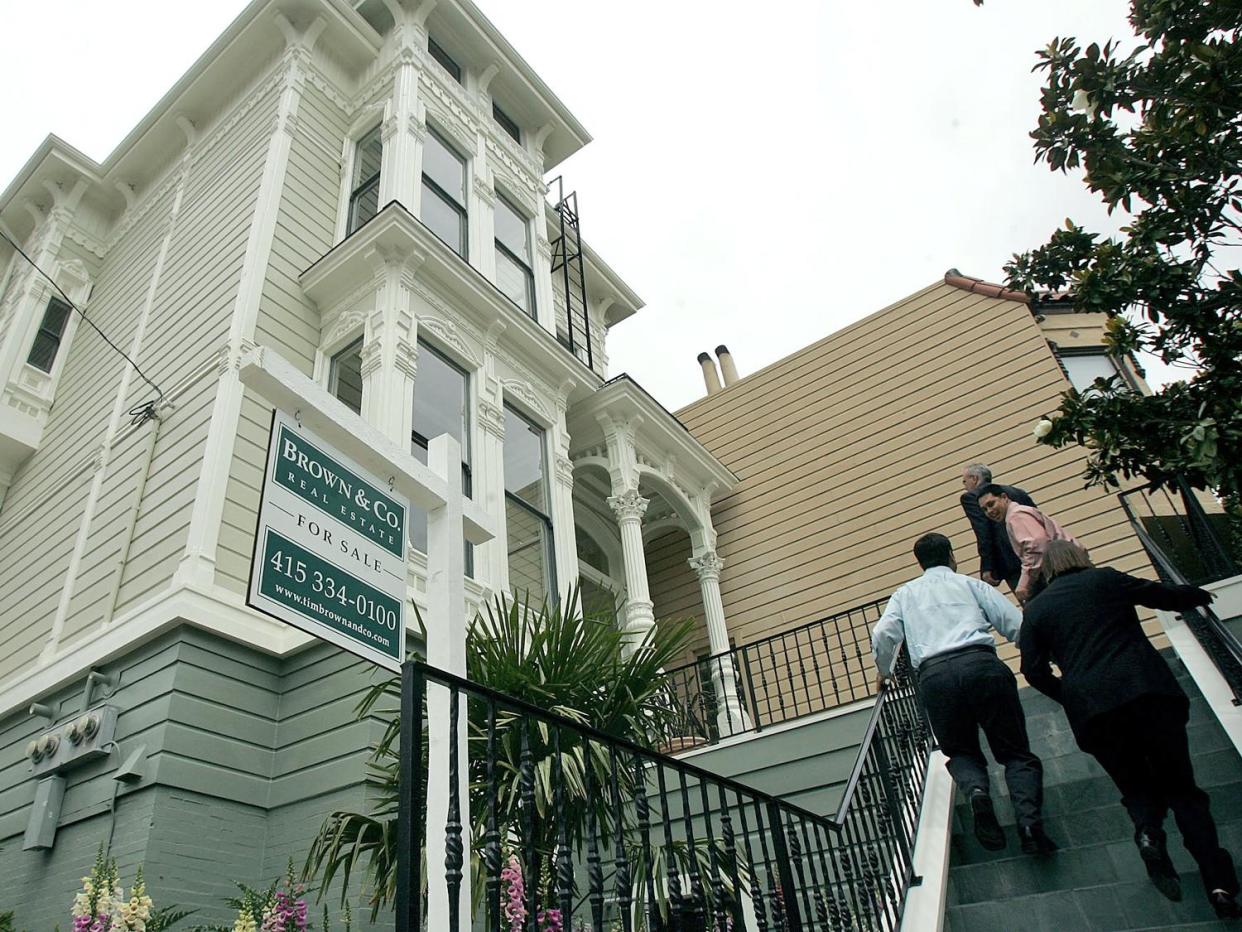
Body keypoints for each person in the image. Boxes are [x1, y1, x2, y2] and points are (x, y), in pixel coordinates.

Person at [1019, 541, 1240, 918]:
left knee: (1135, 786)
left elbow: (1032, 671)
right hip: (1148, 694)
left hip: (1095, 712)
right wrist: (1199, 593)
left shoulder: (1037, 609)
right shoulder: (1105, 580)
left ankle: (1148, 833)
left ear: (1046, 570)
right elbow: (1163, 596)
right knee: (1182, 790)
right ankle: (1219, 886)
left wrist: (1070, 695)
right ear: (1079, 559)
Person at [872, 532, 1056, 855]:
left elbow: (884, 632)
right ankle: (1029, 825)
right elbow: (1014, 623)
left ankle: (977, 794)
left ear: (920, 563)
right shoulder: (970, 585)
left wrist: (884, 671)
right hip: (981, 665)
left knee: (961, 751)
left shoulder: (905, 594)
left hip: (935, 677)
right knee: (1014, 751)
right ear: (951, 556)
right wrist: (1040, 656)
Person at [976, 483, 1077, 604]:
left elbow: (1036, 548)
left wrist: (1024, 584)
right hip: (1069, 564)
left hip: (1062, 569)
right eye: (984, 510)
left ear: (1004, 497)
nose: (989, 511)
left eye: (991, 504)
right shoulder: (1016, 514)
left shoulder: (1016, 516)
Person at [959, 463, 1035, 592]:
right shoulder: (1016, 491)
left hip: (1011, 560)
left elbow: (983, 531)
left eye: (965, 481)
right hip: (1036, 552)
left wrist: (988, 566)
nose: (965, 486)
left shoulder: (972, 498)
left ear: (975, 479)